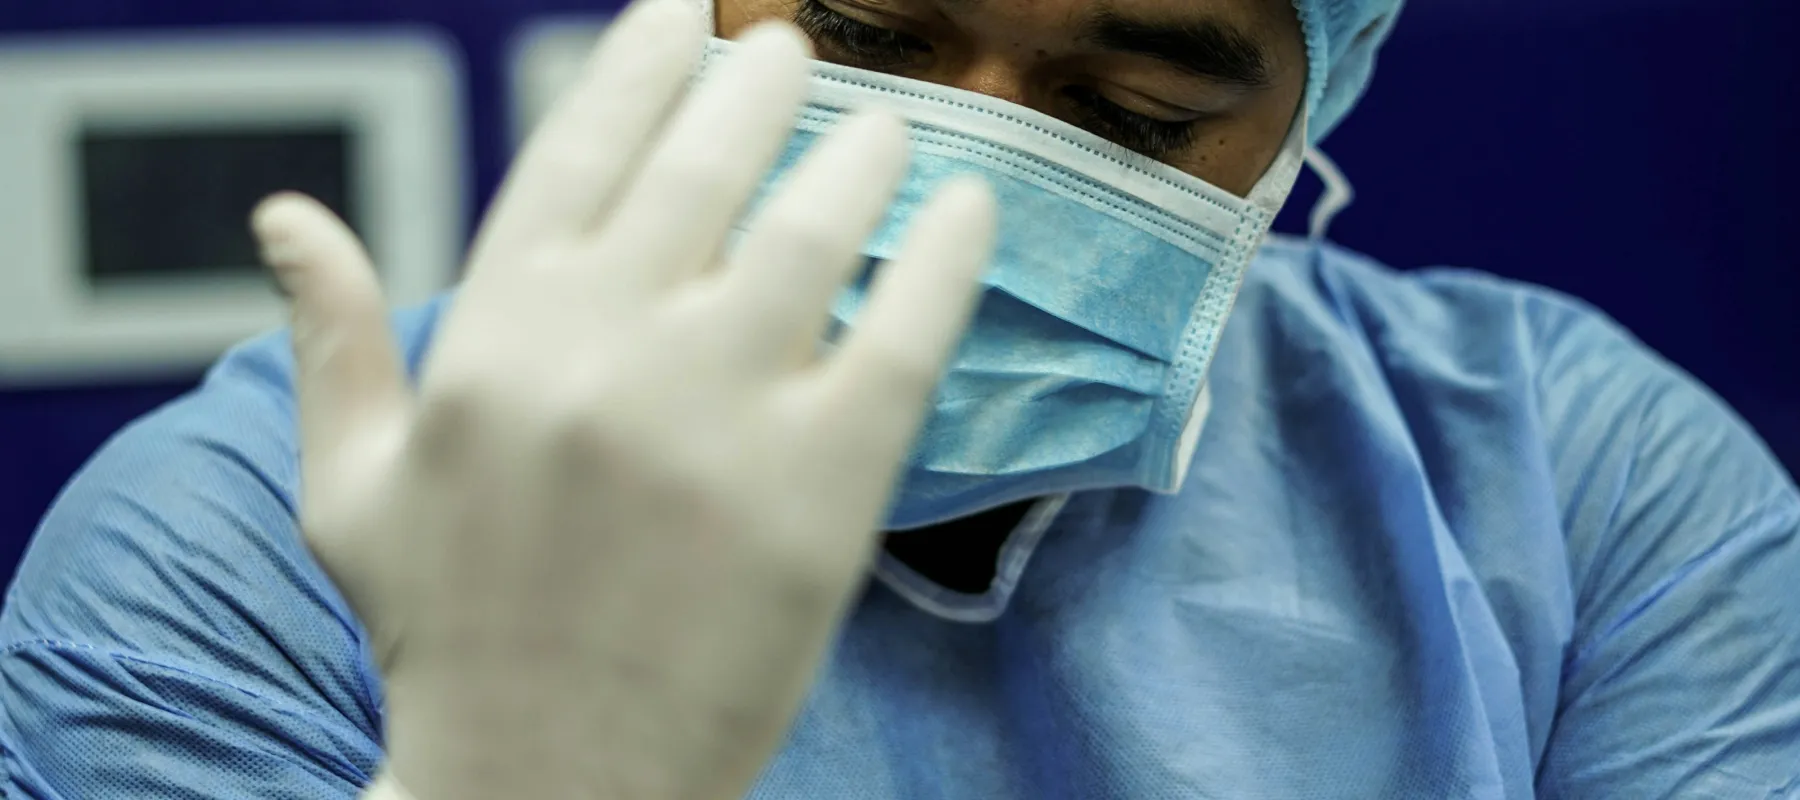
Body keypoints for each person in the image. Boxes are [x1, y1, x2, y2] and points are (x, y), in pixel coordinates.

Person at [2, 0, 1796, 796]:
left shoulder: (1570, 482)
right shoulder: (238, 551)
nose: (972, 182)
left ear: (1304, 119)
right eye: (866, 38)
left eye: (1134, 119)